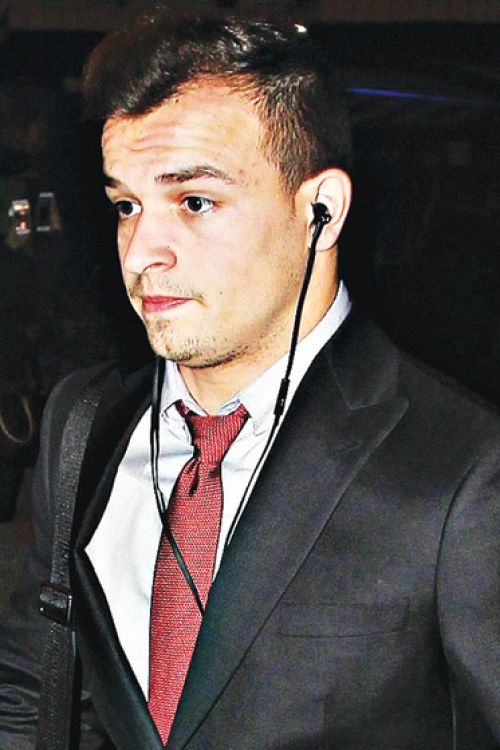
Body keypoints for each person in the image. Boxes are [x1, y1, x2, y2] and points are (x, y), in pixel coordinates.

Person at [1, 11, 500, 750]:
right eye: (126, 205)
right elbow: (35, 689)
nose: (141, 253)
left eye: (194, 202)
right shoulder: (85, 422)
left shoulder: (464, 468)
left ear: (320, 212)